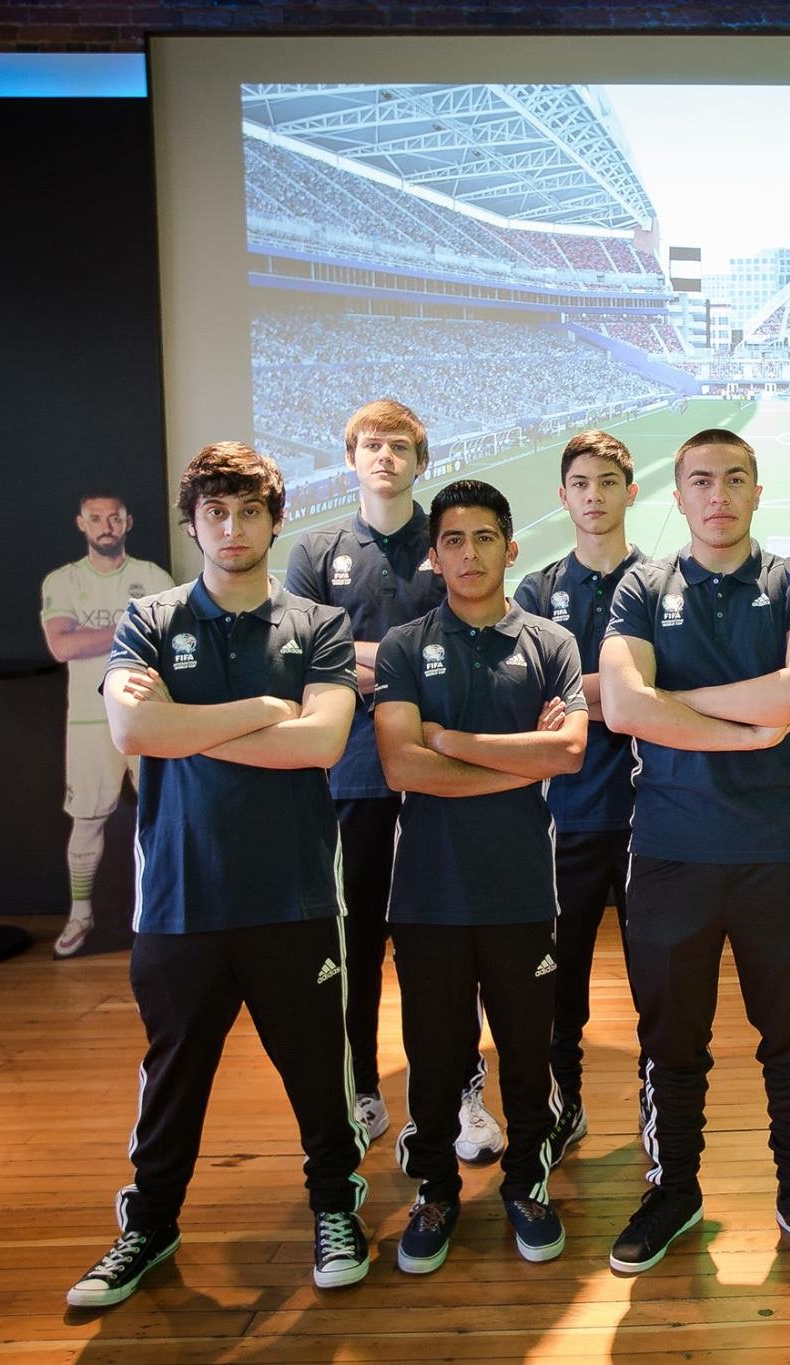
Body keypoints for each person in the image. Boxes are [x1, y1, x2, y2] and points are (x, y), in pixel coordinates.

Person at [67, 443, 367, 1309]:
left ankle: (334, 1206)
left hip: (294, 895)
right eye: (215, 512)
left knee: (319, 1073)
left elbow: (321, 743)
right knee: (174, 1075)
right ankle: (150, 1224)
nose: (232, 527)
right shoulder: (149, 619)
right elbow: (134, 733)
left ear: (275, 521)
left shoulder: (318, 625)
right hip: (179, 895)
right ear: (193, 524)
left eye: (249, 511)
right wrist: (263, 711)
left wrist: (188, 724)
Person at [598, 428, 790, 1278]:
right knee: (671, 1037)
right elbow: (623, 709)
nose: (719, 495)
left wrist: (676, 703)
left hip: (777, 850)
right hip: (670, 851)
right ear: (678, 496)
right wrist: (746, 729)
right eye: (702, 480)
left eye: (735, 479)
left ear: (757, 491)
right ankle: (674, 1189)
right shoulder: (643, 584)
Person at [375, 480, 589, 1271]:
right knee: (435, 1055)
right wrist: (519, 758)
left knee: (528, 1053)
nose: (470, 554)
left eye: (485, 537)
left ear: (511, 546)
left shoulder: (550, 643)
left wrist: (449, 740)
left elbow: (569, 752)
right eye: (454, 540)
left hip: (522, 890)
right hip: (427, 893)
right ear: (435, 556)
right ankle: (435, 1189)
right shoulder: (403, 645)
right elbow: (401, 765)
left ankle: (526, 1183)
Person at [285, 399, 504, 1163]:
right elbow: (307, 660)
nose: (385, 456)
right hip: (350, 778)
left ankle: (462, 1089)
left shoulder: (446, 541)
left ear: (421, 459)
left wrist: (366, 662)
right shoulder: (316, 549)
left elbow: (470, 645)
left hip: (437, 776)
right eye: (372, 444)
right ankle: (362, 1089)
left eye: (400, 445)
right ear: (352, 457)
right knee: (354, 946)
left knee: (444, 944)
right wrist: (408, 665)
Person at [512, 431, 645, 1160]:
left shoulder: (663, 581)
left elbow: (665, 690)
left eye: (608, 482)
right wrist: (622, 692)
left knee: (659, 979)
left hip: (652, 815)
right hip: (563, 815)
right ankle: (565, 1102)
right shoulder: (536, 591)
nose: (594, 496)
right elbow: (527, 698)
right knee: (558, 980)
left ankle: (660, 1105)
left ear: (631, 490)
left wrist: (579, 695)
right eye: (581, 484)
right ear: (563, 496)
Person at [40, 494, 173, 957]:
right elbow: (62, 646)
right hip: (89, 718)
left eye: (114, 517)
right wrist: (129, 628)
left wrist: (94, 636)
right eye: (96, 518)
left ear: (128, 522)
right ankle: (81, 914)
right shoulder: (64, 581)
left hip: (148, 711)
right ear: (82, 523)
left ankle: (161, 913)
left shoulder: (153, 577)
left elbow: (167, 641)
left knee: (162, 816)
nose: (106, 526)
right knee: (87, 819)